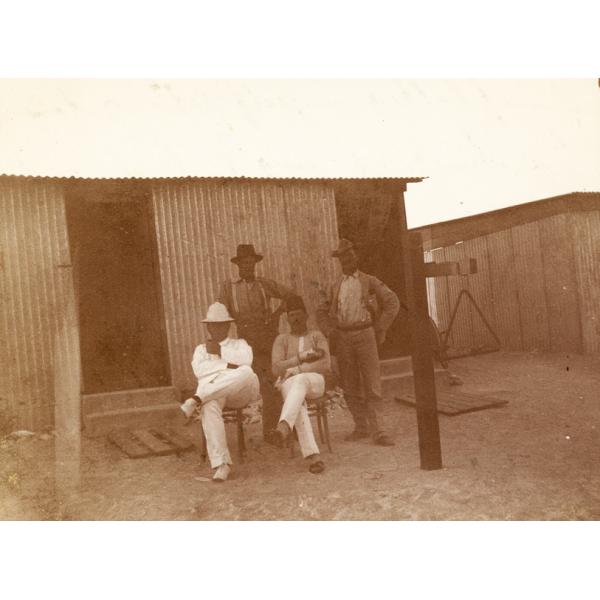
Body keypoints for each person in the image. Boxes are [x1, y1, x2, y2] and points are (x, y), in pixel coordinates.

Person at [316, 239, 400, 446]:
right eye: (343, 257)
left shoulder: (369, 281)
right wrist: (329, 331)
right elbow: (320, 310)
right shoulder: (334, 285)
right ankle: (361, 426)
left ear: (356, 257)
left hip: (365, 334)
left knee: (372, 383)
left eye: (350, 255)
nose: (347, 260)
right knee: (349, 384)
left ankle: (379, 431)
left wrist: (381, 326)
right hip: (343, 338)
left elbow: (392, 302)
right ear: (339, 261)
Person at [218, 243, 294, 442]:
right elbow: (220, 314)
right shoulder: (229, 288)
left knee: (277, 383)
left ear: (255, 264)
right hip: (247, 343)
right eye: (244, 263)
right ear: (238, 265)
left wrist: (277, 314)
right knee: (258, 386)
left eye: (251, 263)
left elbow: (290, 295)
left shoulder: (264, 284)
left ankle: (280, 431)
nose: (248, 267)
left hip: (269, 340)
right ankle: (270, 432)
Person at [180, 302, 259, 482]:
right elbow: (200, 371)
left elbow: (247, 361)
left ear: (228, 326)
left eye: (221, 324)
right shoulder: (201, 349)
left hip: (240, 393)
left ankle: (195, 399)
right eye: (213, 325)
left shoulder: (239, 344)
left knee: (247, 372)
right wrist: (229, 365)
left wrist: (221, 353)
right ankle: (221, 464)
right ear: (207, 327)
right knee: (209, 406)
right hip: (217, 395)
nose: (217, 329)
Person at [270, 294, 331, 474]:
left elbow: (325, 364)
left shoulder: (316, 336)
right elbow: (275, 368)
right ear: (287, 318)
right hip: (290, 384)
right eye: (291, 315)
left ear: (306, 316)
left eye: (299, 314)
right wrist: (300, 358)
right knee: (298, 403)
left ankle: (283, 426)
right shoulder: (282, 339)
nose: (295, 318)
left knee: (300, 379)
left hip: (315, 382)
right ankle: (314, 457)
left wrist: (297, 369)